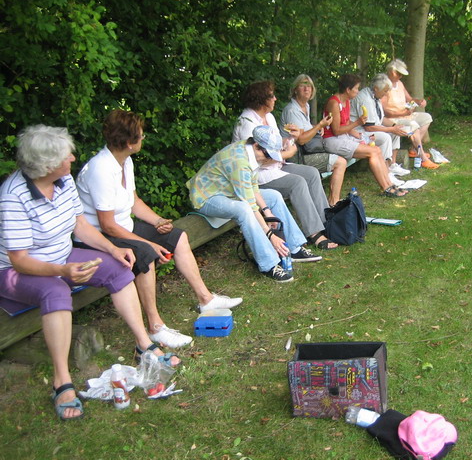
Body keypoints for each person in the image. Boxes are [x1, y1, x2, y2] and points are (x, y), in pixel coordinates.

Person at [0, 125, 179, 421]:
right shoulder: (12, 197)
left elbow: (80, 225)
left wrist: (112, 250)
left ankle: (143, 345)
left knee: (120, 268)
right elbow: (19, 261)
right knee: (56, 291)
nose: (72, 157)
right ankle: (61, 380)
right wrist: (62, 270)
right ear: (45, 165)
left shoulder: (63, 180)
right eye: (65, 155)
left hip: (61, 254)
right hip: (19, 269)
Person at [77, 110, 242, 349]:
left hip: (124, 227)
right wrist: (147, 244)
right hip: (101, 237)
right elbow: (107, 224)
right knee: (145, 255)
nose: (143, 138)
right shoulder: (100, 169)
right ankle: (155, 327)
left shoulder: (125, 162)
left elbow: (133, 201)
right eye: (140, 136)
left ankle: (206, 299)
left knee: (177, 236)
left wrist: (157, 221)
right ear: (128, 142)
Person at [188, 126, 322, 283]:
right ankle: (269, 264)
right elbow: (249, 205)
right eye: (267, 155)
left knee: (274, 196)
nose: (269, 159)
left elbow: (253, 188)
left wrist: (268, 213)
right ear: (257, 145)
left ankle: (293, 247)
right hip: (207, 196)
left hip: (229, 192)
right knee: (243, 210)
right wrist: (270, 234)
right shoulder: (239, 161)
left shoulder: (251, 151)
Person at [232, 81, 338, 249]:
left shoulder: (269, 117)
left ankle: (329, 223)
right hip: (257, 175)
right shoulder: (247, 123)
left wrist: (291, 139)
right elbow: (256, 158)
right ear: (261, 100)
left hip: (276, 166)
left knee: (311, 173)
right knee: (297, 183)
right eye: (271, 96)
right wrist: (287, 153)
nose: (275, 98)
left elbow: (274, 144)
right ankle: (314, 233)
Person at [323, 73, 408, 197]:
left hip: (344, 137)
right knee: (372, 152)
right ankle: (386, 188)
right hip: (332, 140)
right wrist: (357, 123)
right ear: (348, 89)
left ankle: (389, 183)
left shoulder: (346, 101)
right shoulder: (334, 103)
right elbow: (336, 130)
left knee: (377, 150)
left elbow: (346, 123)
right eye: (356, 88)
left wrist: (359, 135)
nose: (358, 91)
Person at [281, 74, 348, 207]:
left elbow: (303, 129)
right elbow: (301, 140)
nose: (307, 89)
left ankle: (330, 201)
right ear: (295, 89)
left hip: (306, 152)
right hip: (295, 158)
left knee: (338, 155)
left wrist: (315, 128)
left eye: (309, 86)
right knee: (340, 162)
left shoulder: (305, 106)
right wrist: (319, 126)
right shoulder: (292, 110)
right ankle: (333, 202)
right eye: (302, 85)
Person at [350, 73, 412, 180]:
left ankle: (392, 165)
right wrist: (391, 129)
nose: (387, 93)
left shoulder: (376, 97)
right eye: (385, 90)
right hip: (358, 132)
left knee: (395, 131)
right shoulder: (365, 99)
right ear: (376, 88)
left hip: (369, 129)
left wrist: (394, 126)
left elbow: (381, 119)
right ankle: (385, 172)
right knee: (385, 137)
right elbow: (368, 127)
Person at [381, 59, 441, 169]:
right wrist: (402, 112)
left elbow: (409, 99)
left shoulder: (399, 84)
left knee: (427, 118)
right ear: (391, 72)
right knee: (413, 126)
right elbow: (384, 111)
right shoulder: (384, 85)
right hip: (392, 119)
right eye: (399, 74)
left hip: (405, 115)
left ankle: (414, 150)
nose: (400, 76)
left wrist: (418, 101)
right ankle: (423, 158)